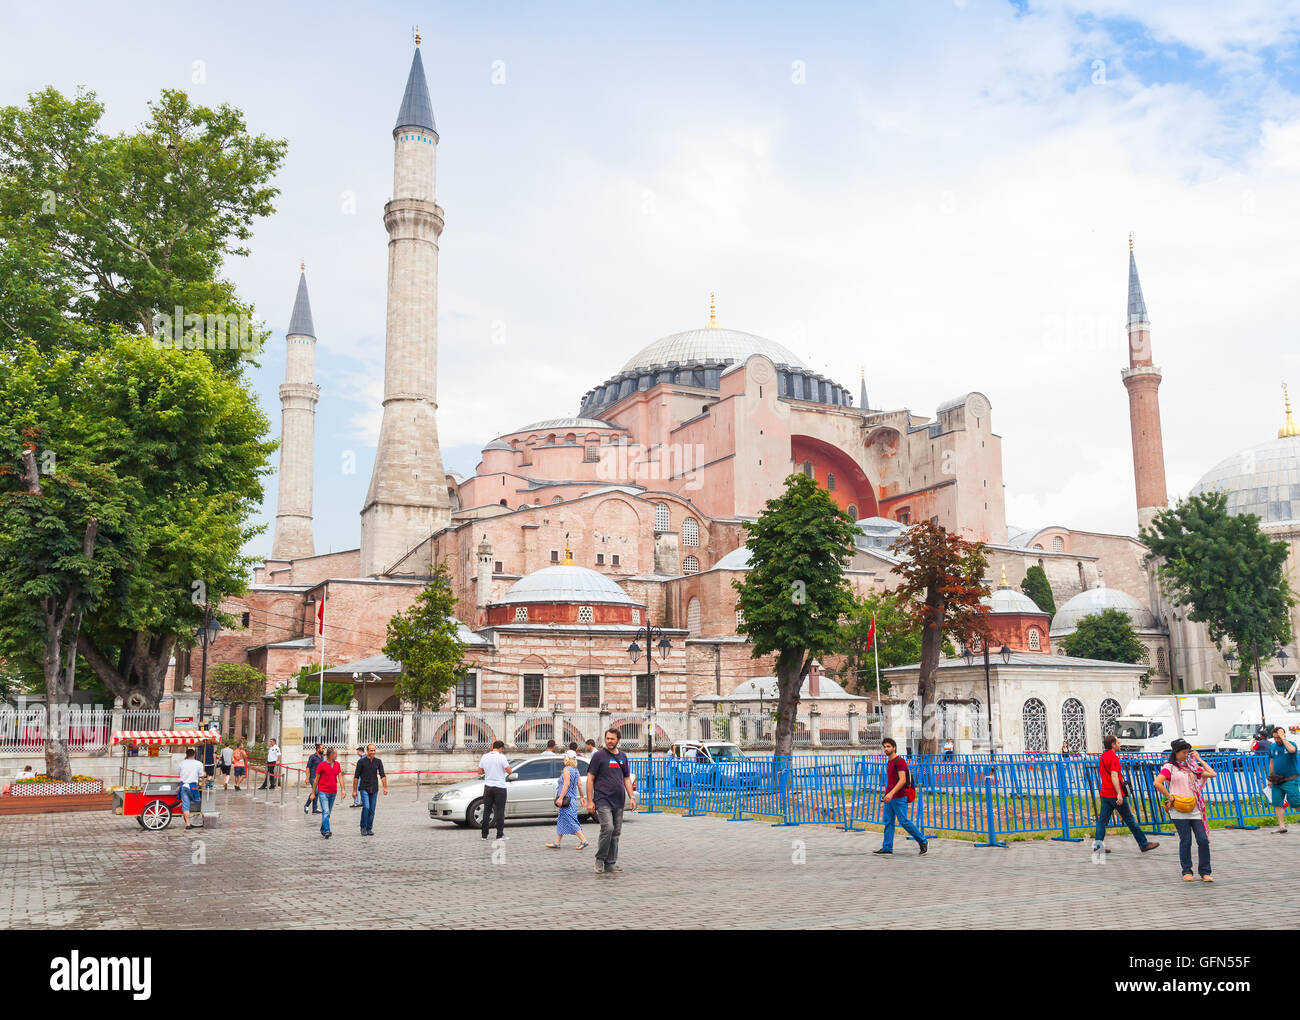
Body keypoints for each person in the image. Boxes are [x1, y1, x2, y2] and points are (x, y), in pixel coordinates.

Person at [1154, 739, 1214, 882]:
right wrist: (1169, 796)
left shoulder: (1191, 767)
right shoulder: (1169, 767)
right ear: (1175, 752)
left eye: (1188, 752)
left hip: (1195, 808)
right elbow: (1157, 782)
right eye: (1183, 752)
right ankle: (1187, 871)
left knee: (1203, 840)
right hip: (1178, 809)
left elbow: (1212, 774)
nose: (1186, 755)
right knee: (1186, 840)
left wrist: (1199, 759)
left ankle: (1205, 872)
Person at [1092, 733, 1160, 855]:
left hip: (1105, 794)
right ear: (1113, 745)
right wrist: (1119, 793)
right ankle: (1143, 844)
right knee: (1129, 819)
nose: (1120, 744)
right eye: (1118, 742)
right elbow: (1114, 775)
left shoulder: (1102, 757)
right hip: (1114, 794)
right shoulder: (1114, 758)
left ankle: (1098, 845)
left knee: (1102, 821)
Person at [584, 728, 636, 875]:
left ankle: (611, 863)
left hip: (618, 800)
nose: (609, 741)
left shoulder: (623, 756)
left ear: (618, 740)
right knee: (608, 828)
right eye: (607, 738)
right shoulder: (599, 756)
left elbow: (626, 779)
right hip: (602, 799)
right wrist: (590, 801)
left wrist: (631, 797)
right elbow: (590, 778)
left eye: (612, 739)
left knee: (616, 832)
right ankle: (599, 860)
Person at [873, 737, 928, 856]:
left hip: (899, 797)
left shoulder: (900, 761)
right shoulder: (889, 762)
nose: (886, 749)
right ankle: (887, 847)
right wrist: (887, 794)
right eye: (885, 747)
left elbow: (902, 780)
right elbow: (891, 780)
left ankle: (922, 841)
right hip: (889, 798)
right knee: (888, 822)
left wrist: (892, 793)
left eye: (888, 746)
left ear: (894, 748)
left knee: (904, 821)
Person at [546, 752, 590, 850]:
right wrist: (582, 797)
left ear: (567, 759)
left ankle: (583, 840)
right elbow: (579, 785)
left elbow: (566, 784)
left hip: (566, 800)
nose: (563, 759)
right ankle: (557, 842)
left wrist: (560, 798)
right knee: (562, 819)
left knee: (571, 820)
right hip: (572, 800)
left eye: (564, 757)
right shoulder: (576, 770)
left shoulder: (566, 769)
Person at [1268, 725, 1299, 833]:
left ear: (1283, 735)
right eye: (1275, 737)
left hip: (1291, 779)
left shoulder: (1291, 744)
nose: (1277, 740)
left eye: (1279, 737)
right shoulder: (1272, 746)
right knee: (1277, 803)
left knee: (1296, 803)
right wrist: (1270, 778)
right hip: (1277, 781)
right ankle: (1282, 826)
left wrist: (1283, 738)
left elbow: (1291, 750)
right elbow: (1271, 762)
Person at [478, 740, 512, 840]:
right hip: (500, 787)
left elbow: (479, 771)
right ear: (501, 748)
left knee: (487, 811)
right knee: (500, 810)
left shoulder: (485, 756)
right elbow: (509, 771)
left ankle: (484, 835)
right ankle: (499, 835)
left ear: (493, 747)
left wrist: (488, 771)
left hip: (488, 787)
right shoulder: (501, 757)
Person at [351, 744, 387, 835]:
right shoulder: (361, 762)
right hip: (364, 788)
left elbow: (382, 775)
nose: (373, 752)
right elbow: (356, 777)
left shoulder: (378, 761)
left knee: (372, 810)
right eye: (371, 750)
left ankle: (369, 828)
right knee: (366, 807)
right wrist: (354, 791)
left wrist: (385, 787)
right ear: (367, 751)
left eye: (374, 750)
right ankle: (363, 827)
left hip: (374, 788)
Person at [310, 747, 342, 839]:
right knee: (326, 811)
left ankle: (323, 830)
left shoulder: (337, 764)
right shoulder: (321, 765)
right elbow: (316, 779)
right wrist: (313, 793)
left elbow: (340, 777)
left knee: (327, 813)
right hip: (323, 792)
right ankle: (327, 830)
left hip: (333, 792)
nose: (337, 755)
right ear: (331, 755)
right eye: (336, 753)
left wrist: (343, 789)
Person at [177, 747, 205, 831]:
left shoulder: (181, 763)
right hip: (193, 786)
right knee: (197, 800)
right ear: (194, 755)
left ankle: (188, 824)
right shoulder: (198, 763)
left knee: (186, 805)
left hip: (184, 786)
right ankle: (187, 803)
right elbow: (201, 775)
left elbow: (178, 773)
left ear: (186, 755)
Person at [304, 743, 324, 814]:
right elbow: (307, 767)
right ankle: (306, 805)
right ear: (318, 749)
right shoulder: (312, 757)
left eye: (323, 748)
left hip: (319, 778)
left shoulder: (322, 757)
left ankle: (314, 809)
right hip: (313, 777)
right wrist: (307, 778)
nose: (323, 749)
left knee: (317, 792)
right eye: (322, 748)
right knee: (315, 791)